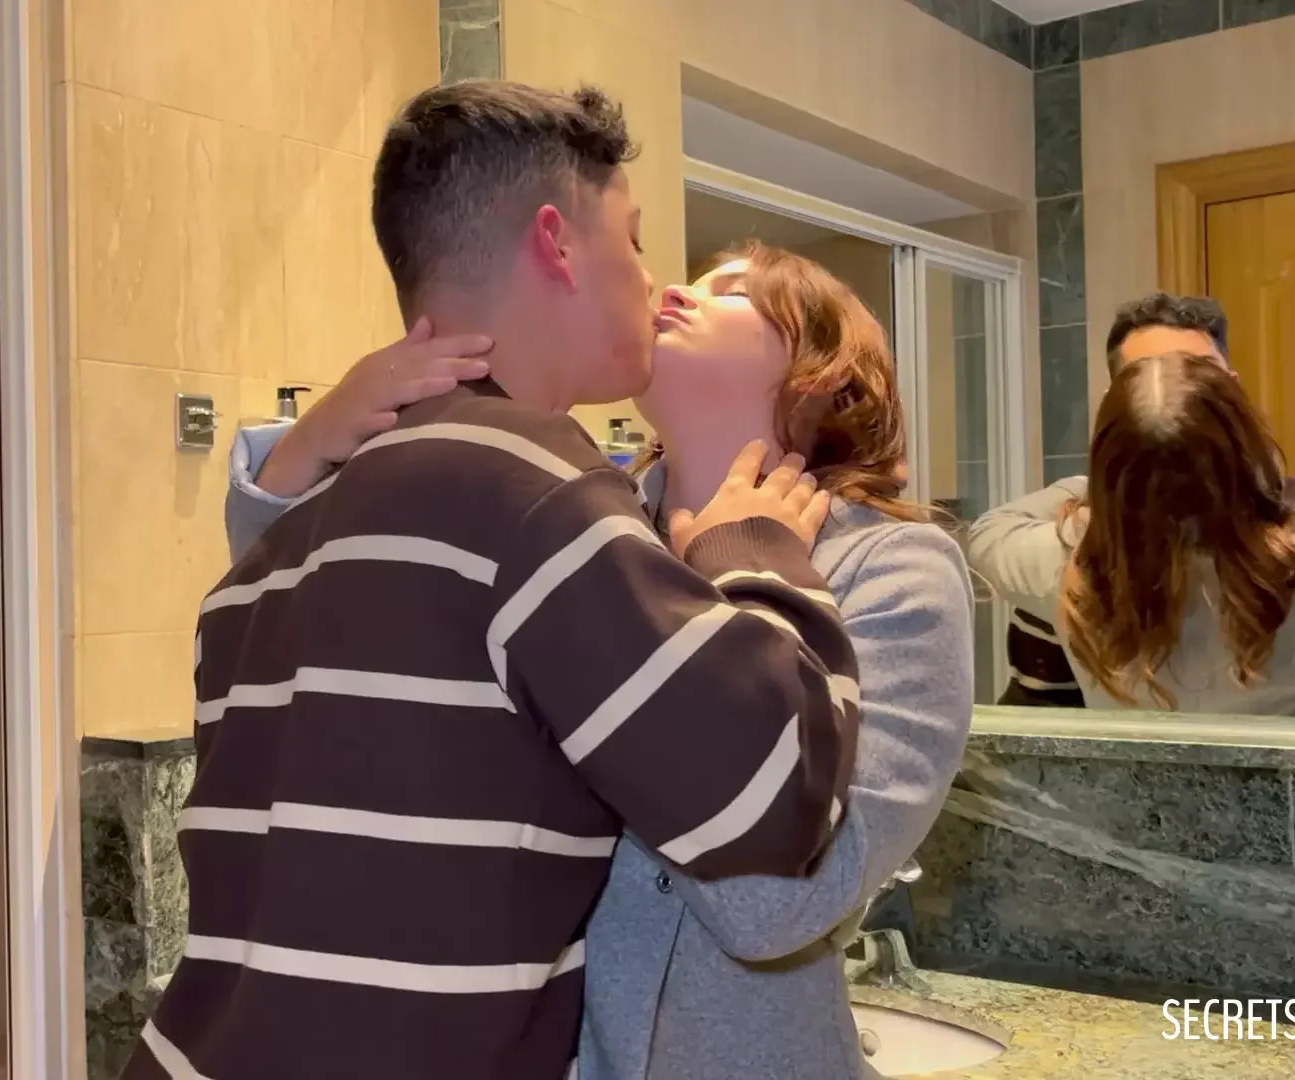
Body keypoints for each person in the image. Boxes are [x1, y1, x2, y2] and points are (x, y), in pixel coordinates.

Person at [124, 82, 865, 1080]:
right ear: (557, 243)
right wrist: (755, 552)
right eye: (633, 239)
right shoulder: (532, 487)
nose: (653, 281)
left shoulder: (277, 545)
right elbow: (769, 798)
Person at [226, 242, 975, 1079]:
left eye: (736, 290)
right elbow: (319, 620)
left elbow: (773, 905)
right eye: (692, 276)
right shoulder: (573, 524)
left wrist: (744, 567)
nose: (680, 292)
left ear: (829, 372)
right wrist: (304, 452)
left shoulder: (896, 572)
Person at [998, 293, 1295, 708]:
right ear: (1118, 405)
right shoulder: (1080, 552)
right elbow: (1041, 707)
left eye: (1199, 375)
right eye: (1150, 377)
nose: (1178, 395)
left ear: (1232, 392)